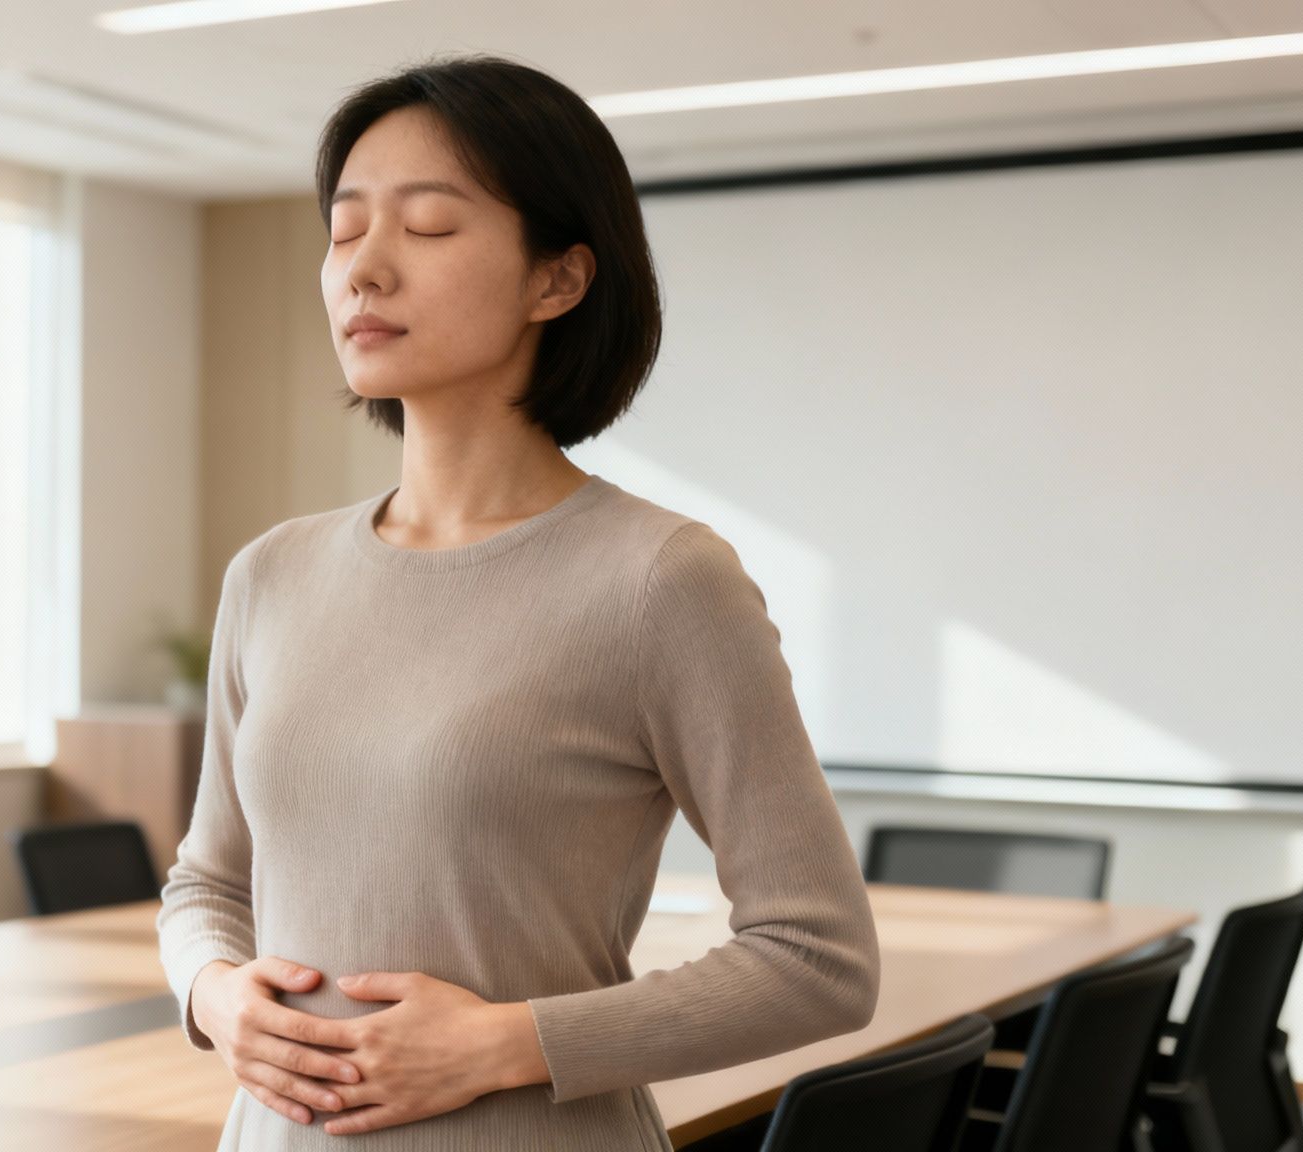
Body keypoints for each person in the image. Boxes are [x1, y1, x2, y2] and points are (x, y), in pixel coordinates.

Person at [156, 52, 881, 1150]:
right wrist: (216, 999)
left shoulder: (659, 579)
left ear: (558, 279)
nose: (364, 268)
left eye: (429, 228)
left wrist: (503, 1043)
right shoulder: (271, 574)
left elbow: (817, 958)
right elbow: (206, 884)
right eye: (345, 229)